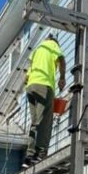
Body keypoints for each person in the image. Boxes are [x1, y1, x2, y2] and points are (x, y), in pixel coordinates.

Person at [23, 34, 66, 166]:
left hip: (30, 87)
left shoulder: (36, 50)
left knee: (35, 121)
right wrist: (62, 78)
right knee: (45, 120)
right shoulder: (52, 45)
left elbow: (26, 76)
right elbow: (62, 60)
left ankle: (29, 156)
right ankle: (40, 153)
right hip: (44, 85)